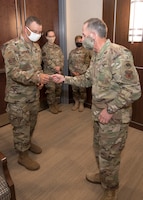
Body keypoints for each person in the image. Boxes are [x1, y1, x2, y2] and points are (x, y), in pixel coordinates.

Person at [52, 18, 141, 200]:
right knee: (99, 148)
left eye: (83, 35)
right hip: (98, 114)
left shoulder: (118, 54)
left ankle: (111, 188)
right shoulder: (96, 54)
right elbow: (87, 79)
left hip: (114, 116)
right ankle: (103, 175)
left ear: (93, 35)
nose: (82, 38)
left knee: (110, 154)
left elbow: (133, 90)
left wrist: (110, 110)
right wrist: (65, 79)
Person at [1, 16, 49, 171]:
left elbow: (37, 68)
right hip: (17, 97)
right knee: (20, 125)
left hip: (33, 94)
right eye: (35, 31)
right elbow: (14, 73)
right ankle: (22, 155)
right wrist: (36, 77)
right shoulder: (11, 46)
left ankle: (27, 144)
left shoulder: (36, 48)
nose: (38, 34)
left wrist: (40, 79)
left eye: (40, 32)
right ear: (25, 29)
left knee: (32, 122)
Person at [42, 30, 64, 114]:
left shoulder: (57, 47)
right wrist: (55, 67)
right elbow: (46, 60)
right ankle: (51, 106)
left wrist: (60, 67)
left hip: (58, 73)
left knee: (58, 89)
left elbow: (62, 58)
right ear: (47, 37)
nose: (52, 38)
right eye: (50, 36)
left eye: (53, 36)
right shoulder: (44, 48)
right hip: (49, 73)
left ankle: (56, 104)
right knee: (51, 90)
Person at [68, 35, 91, 112]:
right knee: (74, 90)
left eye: (80, 41)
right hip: (73, 74)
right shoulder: (72, 52)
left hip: (82, 75)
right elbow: (70, 63)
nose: (79, 42)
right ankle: (76, 102)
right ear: (75, 42)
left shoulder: (86, 52)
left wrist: (80, 72)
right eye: (77, 41)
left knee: (82, 90)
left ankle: (81, 103)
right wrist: (73, 72)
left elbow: (87, 63)